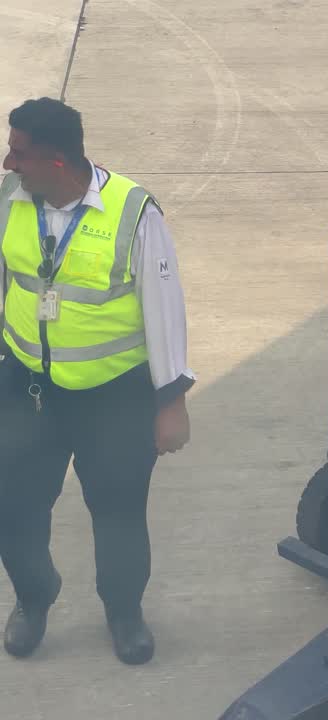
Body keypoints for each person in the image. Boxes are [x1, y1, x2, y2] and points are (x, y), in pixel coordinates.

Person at [0, 97, 194, 664]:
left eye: (20, 153)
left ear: (57, 162)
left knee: (117, 509)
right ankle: (34, 598)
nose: (9, 162)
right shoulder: (8, 201)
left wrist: (171, 401)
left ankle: (123, 611)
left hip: (115, 398)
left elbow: (164, 309)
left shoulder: (134, 212)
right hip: (27, 389)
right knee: (14, 507)